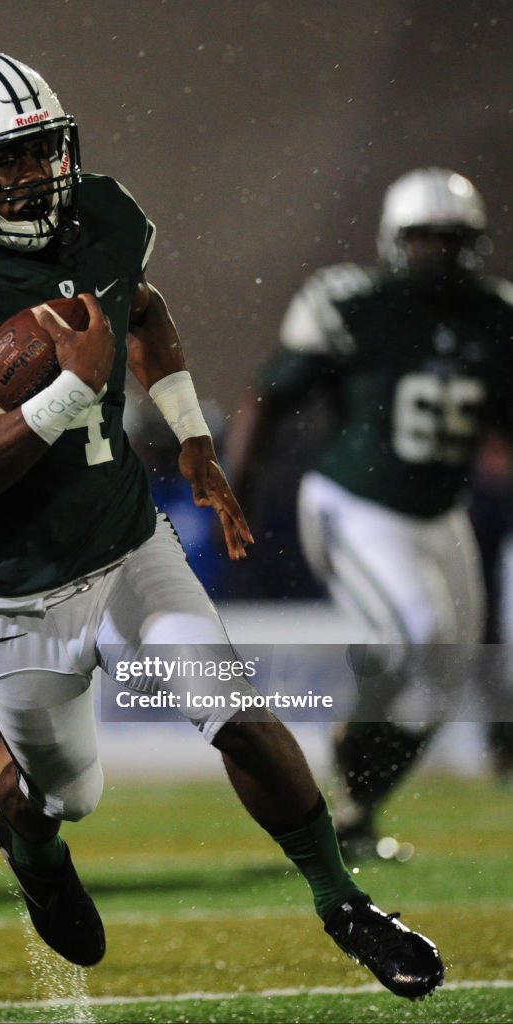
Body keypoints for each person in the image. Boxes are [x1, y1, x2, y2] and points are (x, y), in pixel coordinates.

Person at [0, 52, 443, 998]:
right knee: (62, 791)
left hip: (129, 543)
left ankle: (344, 901)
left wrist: (193, 436)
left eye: (42, 154)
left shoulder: (100, 218)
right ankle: (32, 846)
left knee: (237, 717)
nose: (35, 180)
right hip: (23, 587)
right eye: (4, 165)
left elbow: (142, 308)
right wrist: (74, 388)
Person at [228, 167, 513, 860]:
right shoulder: (354, 303)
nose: (438, 253)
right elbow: (267, 397)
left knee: (443, 678)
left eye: (452, 240)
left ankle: (354, 809)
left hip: (440, 513)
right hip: (356, 503)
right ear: (393, 241)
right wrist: (232, 489)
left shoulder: (497, 314)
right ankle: (347, 748)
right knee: (417, 632)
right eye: (423, 239)